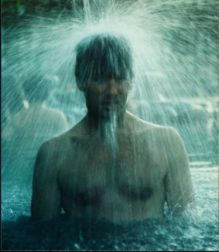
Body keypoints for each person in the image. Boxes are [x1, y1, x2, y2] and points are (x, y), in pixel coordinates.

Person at [31, 33, 195, 222]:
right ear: (80, 80)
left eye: (120, 79)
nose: (112, 90)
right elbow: (42, 236)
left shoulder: (166, 142)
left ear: (132, 80)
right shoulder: (54, 154)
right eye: (100, 79)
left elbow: (186, 224)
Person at [3, 74, 69, 186]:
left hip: (22, 168)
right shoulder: (57, 116)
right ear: (48, 93)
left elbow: (4, 136)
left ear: (25, 93)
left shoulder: (18, 117)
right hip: (48, 166)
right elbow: (68, 143)